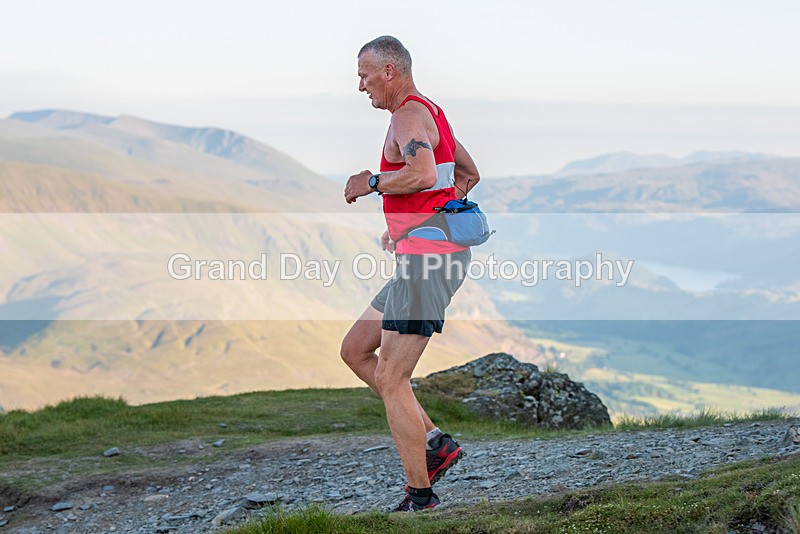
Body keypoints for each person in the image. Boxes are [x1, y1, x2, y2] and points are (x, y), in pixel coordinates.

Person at [342, 35, 481, 512]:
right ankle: (435, 443)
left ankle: (420, 495)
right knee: (356, 349)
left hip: (428, 263)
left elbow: (422, 173)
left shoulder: (407, 116)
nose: (360, 86)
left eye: (364, 75)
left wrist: (371, 183)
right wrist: (417, 222)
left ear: (389, 72)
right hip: (422, 255)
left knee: (392, 376)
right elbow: (467, 172)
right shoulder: (431, 112)